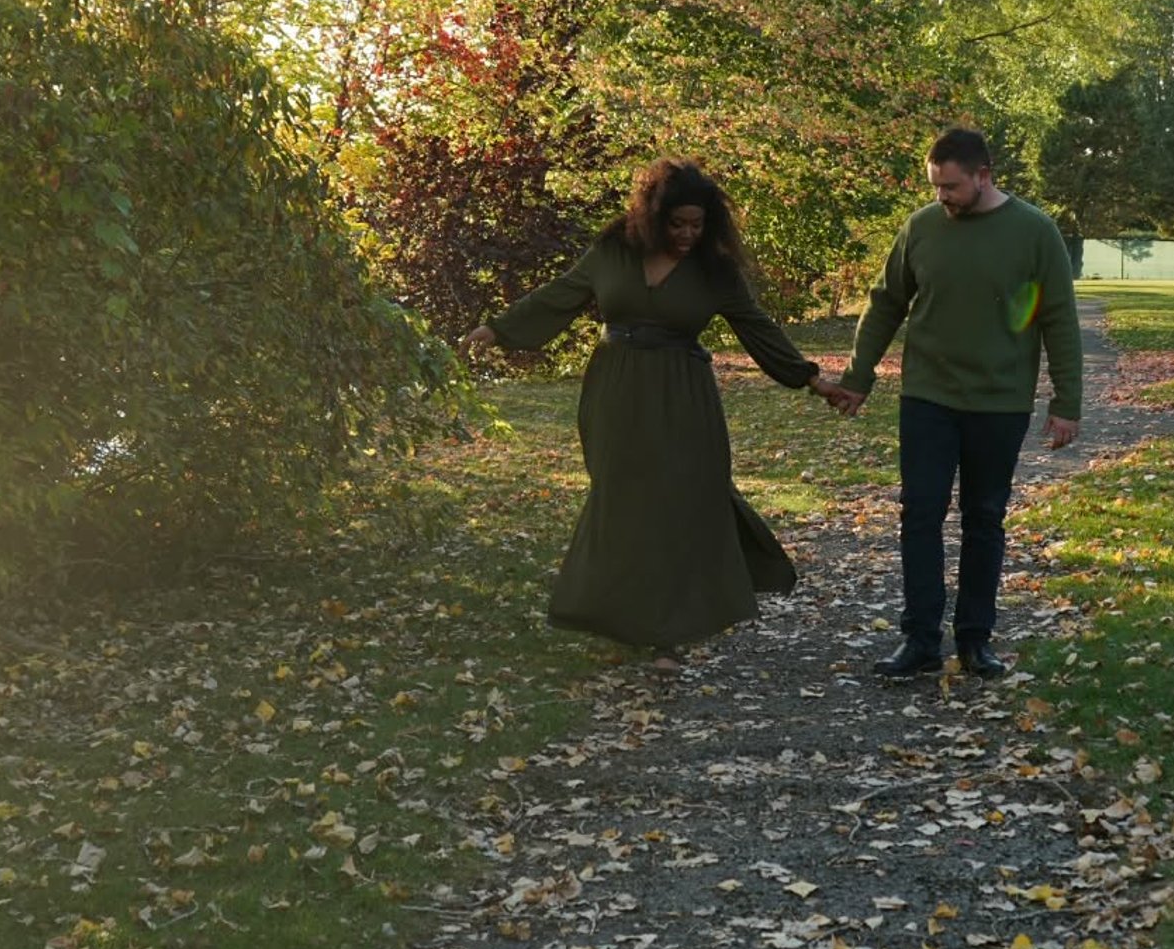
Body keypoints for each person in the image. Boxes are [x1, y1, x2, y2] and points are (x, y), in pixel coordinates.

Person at [462, 159, 834, 662]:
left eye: (697, 224)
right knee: (622, 498)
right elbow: (562, 295)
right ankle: (615, 614)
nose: (687, 234)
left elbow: (756, 326)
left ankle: (666, 632)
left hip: (683, 394)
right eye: (677, 224)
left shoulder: (713, 268)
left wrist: (811, 378)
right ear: (653, 217)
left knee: (678, 499)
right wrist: (499, 329)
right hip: (616, 388)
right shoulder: (613, 251)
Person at [829, 126, 1081, 682]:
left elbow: (1059, 318)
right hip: (928, 397)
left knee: (984, 518)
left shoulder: (1035, 232)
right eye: (935, 186)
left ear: (983, 176)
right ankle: (919, 638)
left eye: (951, 186)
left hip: (1000, 400)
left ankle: (974, 640)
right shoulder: (920, 228)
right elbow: (885, 305)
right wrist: (858, 376)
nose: (941, 196)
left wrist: (1067, 402)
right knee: (920, 513)